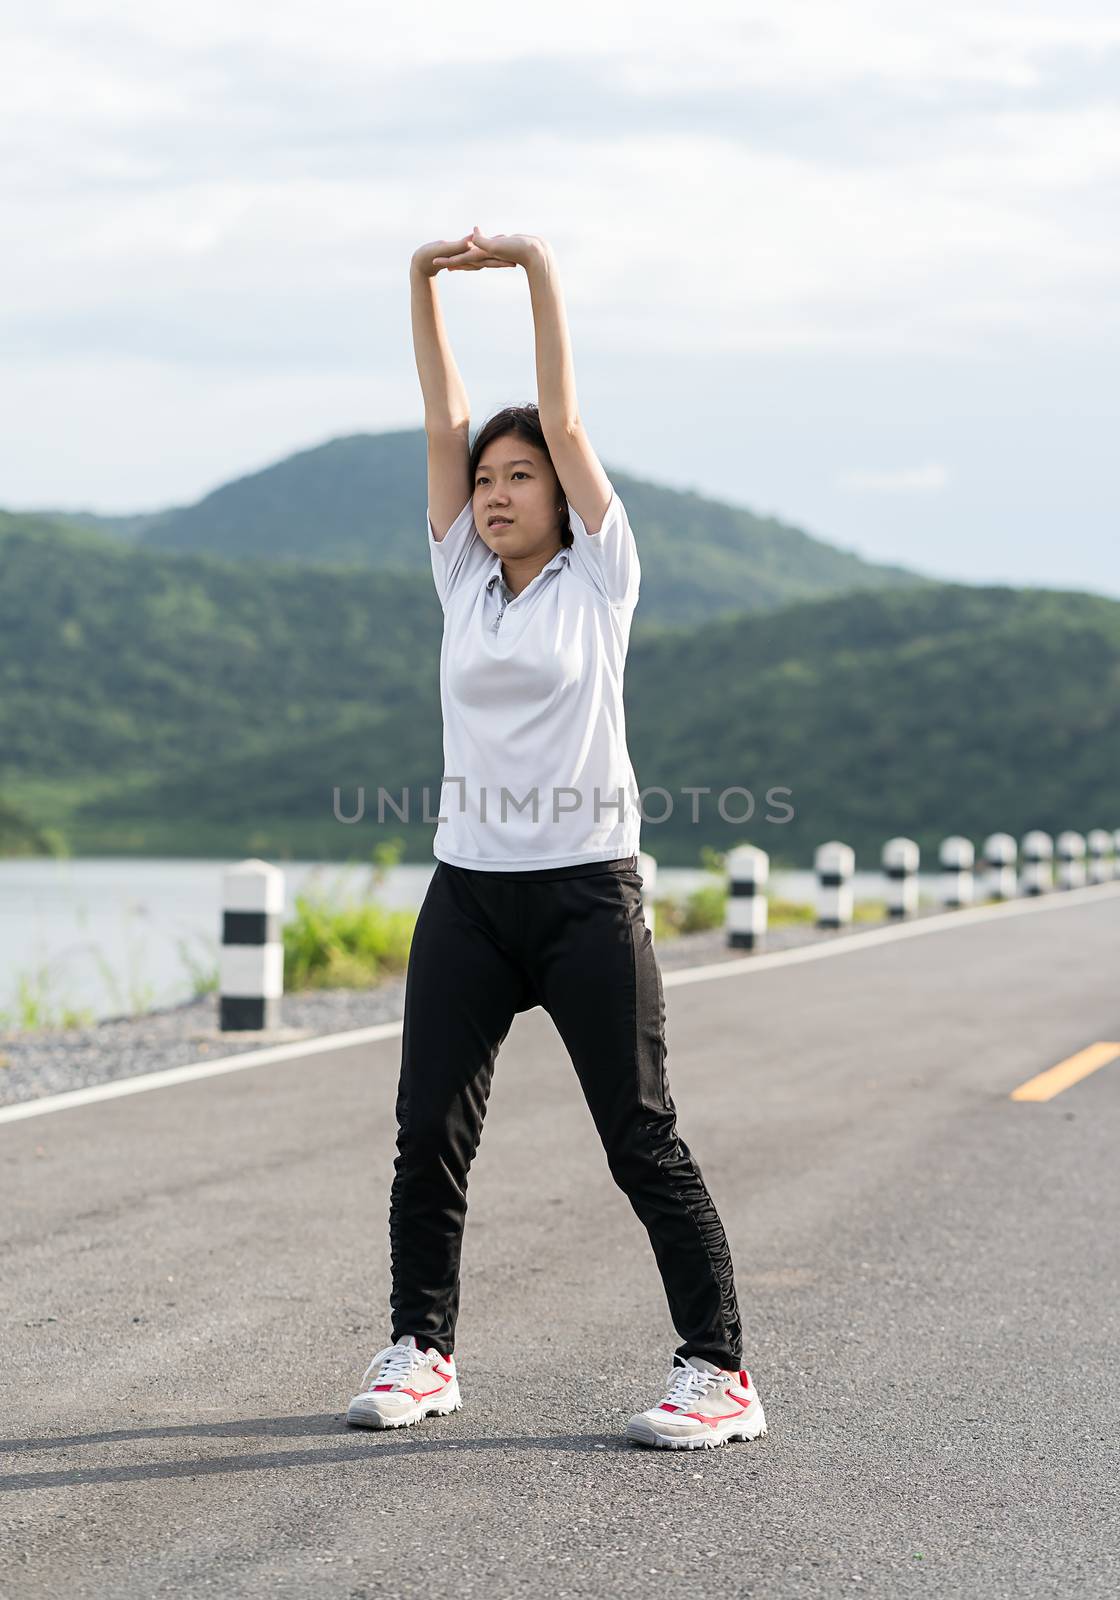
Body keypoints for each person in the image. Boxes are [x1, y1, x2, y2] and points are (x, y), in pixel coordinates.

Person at [345, 227, 767, 1451]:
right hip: (470, 896)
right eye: (486, 477)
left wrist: (530, 266)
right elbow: (441, 421)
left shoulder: (601, 580)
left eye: (518, 475)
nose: (494, 488)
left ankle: (719, 1370)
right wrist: (421, 282)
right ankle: (421, 1350)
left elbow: (570, 422)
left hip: (585, 895)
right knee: (429, 1131)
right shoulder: (460, 584)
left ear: (560, 496)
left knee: (639, 1136)